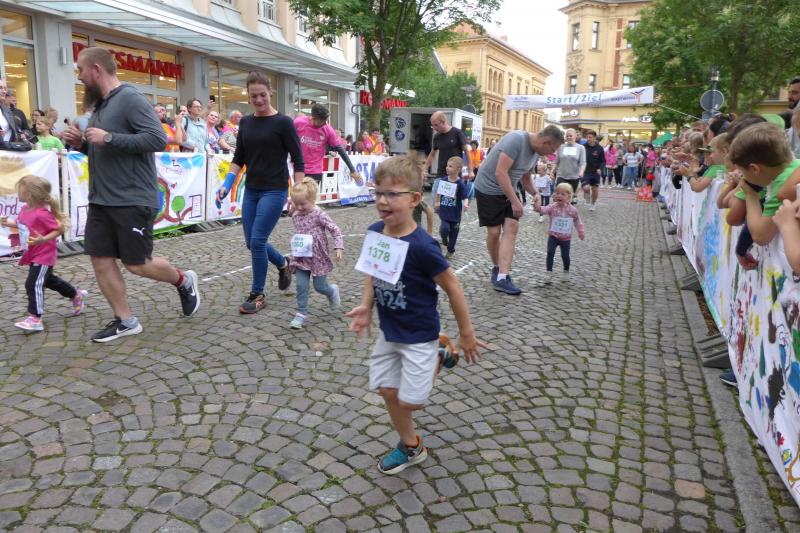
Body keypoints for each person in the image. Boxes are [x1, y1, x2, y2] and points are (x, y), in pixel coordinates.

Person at [345, 155, 483, 475]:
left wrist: (466, 333)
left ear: (414, 199)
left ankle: (439, 352)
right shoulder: (376, 232)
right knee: (386, 390)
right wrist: (366, 306)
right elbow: (372, 272)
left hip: (420, 334)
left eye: (392, 194)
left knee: (412, 402)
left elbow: (452, 286)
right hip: (389, 331)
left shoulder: (422, 246)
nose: (383, 200)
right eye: (379, 193)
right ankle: (412, 446)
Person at [61, 47, 199, 342]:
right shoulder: (100, 106)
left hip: (132, 198)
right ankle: (126, 321)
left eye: (81, 70)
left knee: (137, 264)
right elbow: (104, 151)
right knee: (100, 259)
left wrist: (109, 137)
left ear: (97, 69)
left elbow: (157, 138)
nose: (79, 77)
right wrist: (82, 144)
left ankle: (183, 280)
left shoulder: (130, 98)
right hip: (102, 199)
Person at [216, 70, 303, 314]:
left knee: (257, 241)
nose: (258, 100)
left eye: (262, 95)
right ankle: (283, 263)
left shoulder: (283, 123)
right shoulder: (246, 122)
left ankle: (258, 294)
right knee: (251, 242)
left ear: (270, 92)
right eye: (253, 96)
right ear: (248, 96)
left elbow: (298, 159)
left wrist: (297, 193)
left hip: (275, 190)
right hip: (252, 190)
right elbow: (239, 157)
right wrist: (226, 184)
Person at [474, 126, 565, 295]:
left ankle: (503, 277)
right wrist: (515, 201)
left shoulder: (536, 152)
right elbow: (500, 173)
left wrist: (535, 193)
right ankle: (497, 267)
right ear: (545, 142)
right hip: (488, 188)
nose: (551, 154)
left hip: (509, 188)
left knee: (512, 228)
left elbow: (525, 177)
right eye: (552, 150)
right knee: (494, 233)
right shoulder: (516, 140)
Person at [1, 175, 87, 332]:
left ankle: (35, 318)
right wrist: (8, 223)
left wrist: (43, 239)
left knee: (33, 283)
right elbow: (22, 224)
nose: (17, 193)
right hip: (33, 252)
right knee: (48, 280)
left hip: (44, 254)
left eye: (19, 190)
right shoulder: (25, 209)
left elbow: (59, 229)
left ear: (29, 195)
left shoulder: (42, 214)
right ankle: (75, 294)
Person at [731, 122, 800, 248]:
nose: (742, 177)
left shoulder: (782, 184)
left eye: (742, 172)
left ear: (754, 169)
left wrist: (750, 195)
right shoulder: (795, 166)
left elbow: (761, 236)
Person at [287, 178, 343, 329]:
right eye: (296, 203)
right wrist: (291, 206)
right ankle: (301, 314)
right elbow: (291, 213)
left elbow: (335, 230)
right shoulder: (296, 212)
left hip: (318, 257)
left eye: (302, 204)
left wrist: (338, 247)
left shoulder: (319, 214)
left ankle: (332, 291)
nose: (299, 207)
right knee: (301, 285)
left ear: (312, 200)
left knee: (320, 287)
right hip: (301, 256)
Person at [294, 104, 363, 185]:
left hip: (315, 170)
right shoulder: (298, 123)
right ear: (314, 118)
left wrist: (352, 170)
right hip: (299, 168)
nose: (325, 124)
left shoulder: (328, 129)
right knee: (299, 192)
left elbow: (340, 149)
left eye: (326, 120)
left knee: (311, 193)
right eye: (322, 121)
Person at [534, 182, 585, 282]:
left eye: (562, 194)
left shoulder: (573, 210)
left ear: (569, 196)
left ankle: (566, 271)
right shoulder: (552, 207)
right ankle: (549, 272)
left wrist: (581, 232)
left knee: (565, 256)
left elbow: (577, 221)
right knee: (550, 252)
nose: (559, 196)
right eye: (557, 193)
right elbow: (543, 210)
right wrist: (537, 207)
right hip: (553, 236)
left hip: (565, 238)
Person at [425, 111, 472, 204]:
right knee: (435, 203)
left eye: (436, 125)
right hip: (440, 174)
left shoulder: (457, 133)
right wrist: (424, 169)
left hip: (453, 176)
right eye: (432, 125)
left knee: (448, 204)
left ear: (443, 122)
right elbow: (432, 154)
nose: (434, 128)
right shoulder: (437, 137)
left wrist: (470, 171)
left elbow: (467, 152)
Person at [435, 156, 467, 258]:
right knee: (444, 229)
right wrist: (437, 202)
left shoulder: (460, 184)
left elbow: (465, 196)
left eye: (450, 166)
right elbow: (439, 192)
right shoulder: (443, 180)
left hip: (455, 215)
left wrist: (465, 203)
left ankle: (450, 250)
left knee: (453, 235)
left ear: (458, 169)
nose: (447, 168)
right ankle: (444, 239)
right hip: (444, 212)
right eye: (447, 166)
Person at [553, 129, 585, 206]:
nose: (569, 137)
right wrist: (552, 171)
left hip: (574, 176)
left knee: (569, 198)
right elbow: (556, 161)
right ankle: (558, 211)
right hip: (561, 175)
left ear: (575, 136)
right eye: (567, 136)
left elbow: (583, 162)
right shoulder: (561, 147)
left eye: (570, 136)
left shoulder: (580, 148)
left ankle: (569, 211)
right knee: (559, 196)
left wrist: (581, 171)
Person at [581, 130, 604, 210]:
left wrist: (600, 168)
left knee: (595, 189)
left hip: (595, 172)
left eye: (590, 137)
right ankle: (587, 194)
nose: (588, 139)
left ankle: (593, 204)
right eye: (587, 137)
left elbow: (603, 161)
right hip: (585, 171)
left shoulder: (599, 148)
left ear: (594, 138)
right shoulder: (583, 147)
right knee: (586, 188)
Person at [0, 77, 20, 143]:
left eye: (4, 88)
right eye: (0, 88)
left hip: (8, 147)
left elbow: (15, 133)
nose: (4, 91)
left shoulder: (7, 111)